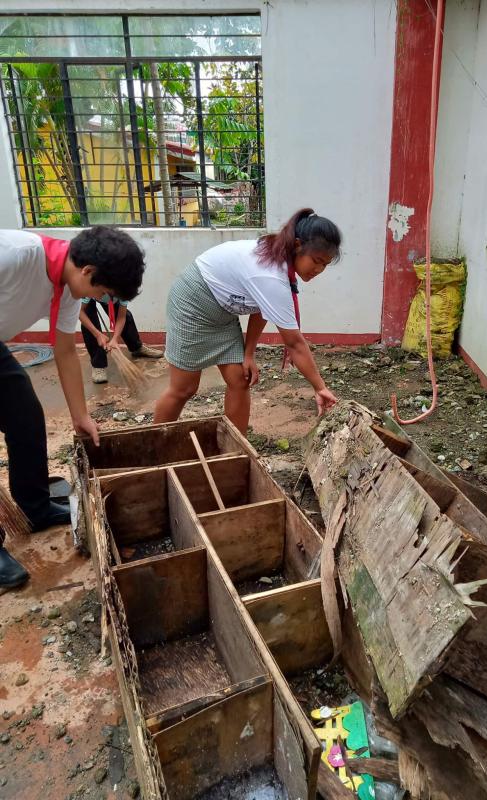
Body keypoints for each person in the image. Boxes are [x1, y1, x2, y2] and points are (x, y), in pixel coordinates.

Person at [0, 226, 145, 590]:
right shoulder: (13, 255)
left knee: (25, 417)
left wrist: (81, 416)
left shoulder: (67, 282)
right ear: (88, 272)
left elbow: (65, 351)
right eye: (104, 292)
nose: (102, 298)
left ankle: (35, 507)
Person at [154, 208, 340, 433]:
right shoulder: (271, 275)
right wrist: (320, 388)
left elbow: (261, 307)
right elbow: (294, 344)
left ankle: (236, 449)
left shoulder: (280, 263)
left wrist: (248, 353)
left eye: (325, 265)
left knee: (240, 379)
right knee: (184, 388)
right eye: (317, 261)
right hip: (193, 302)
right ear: (298, 245)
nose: (319, 270)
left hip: (222, 312)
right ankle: (155, 446)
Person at [79, 295, 162, 384]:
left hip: (107, 294)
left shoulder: (124, 288)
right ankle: (98, 364)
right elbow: (79, 312)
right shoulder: (89, 287)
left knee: (125, 315)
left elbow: (121, 317)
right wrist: (97, 334)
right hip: (88, 294)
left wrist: (115, 339)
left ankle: (136, 347)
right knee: (89, 319)